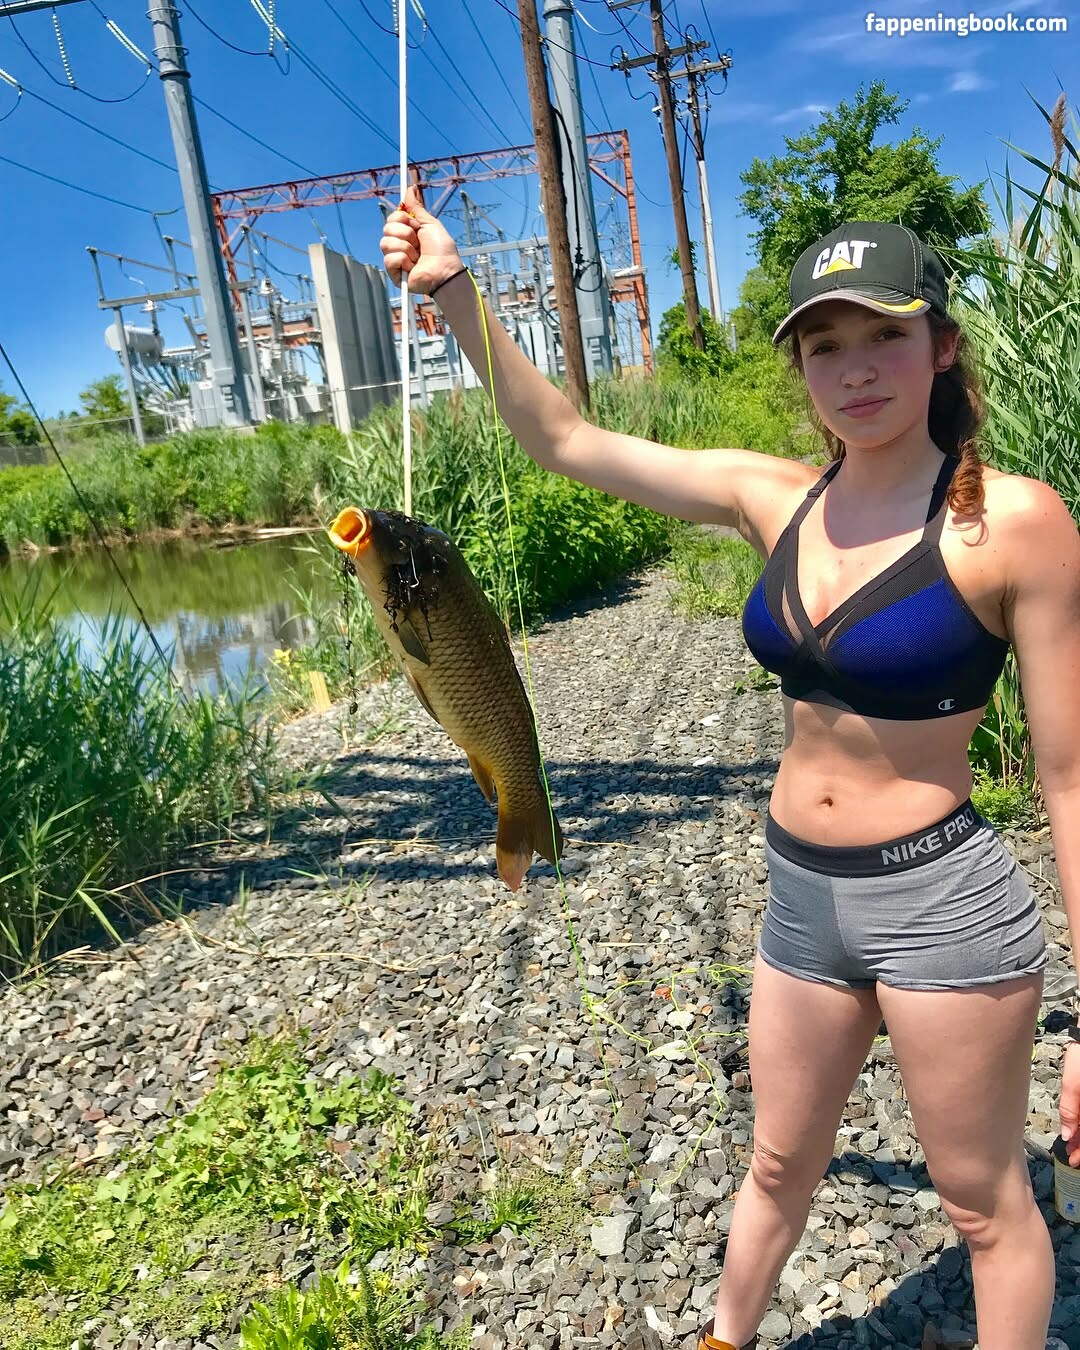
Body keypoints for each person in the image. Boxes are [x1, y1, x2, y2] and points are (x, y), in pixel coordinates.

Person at [381, 194, 1080, 1350]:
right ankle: (724, 1338)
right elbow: (568, 442)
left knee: (982, 1205)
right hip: (799, 899)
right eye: (826, 345)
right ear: (801, 366)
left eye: (886, 335)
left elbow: (1069, 777)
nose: (858, 370)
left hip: (941, 904)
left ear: (943, 346)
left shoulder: (1012, 523)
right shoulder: (773, 497)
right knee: (774, 1162)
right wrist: (455, 292)